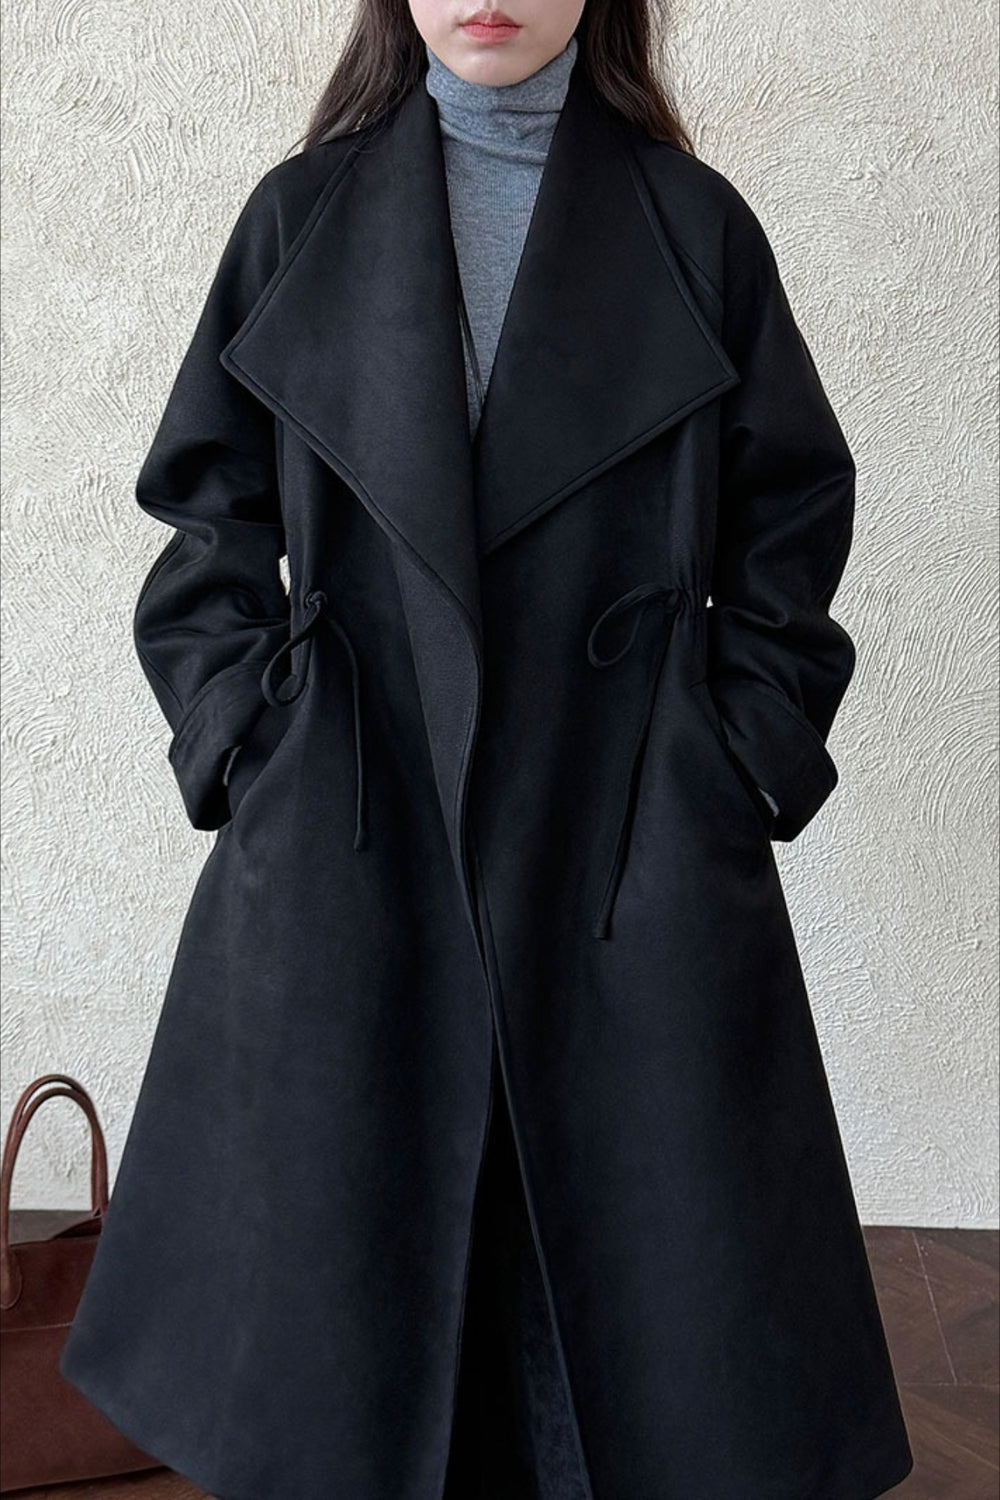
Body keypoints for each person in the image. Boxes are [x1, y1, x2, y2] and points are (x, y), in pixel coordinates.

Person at [60, 4, 915, 1498]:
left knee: (643, 1330)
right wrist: (255, 739)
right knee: (346, 1317)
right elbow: (206, 521)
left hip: (622, 839)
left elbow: (792, 517)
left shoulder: (694, 229)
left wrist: (733, 755)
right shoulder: (300, 218)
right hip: (355, 828)